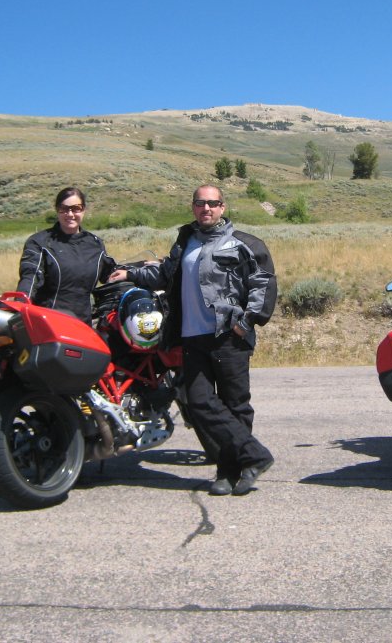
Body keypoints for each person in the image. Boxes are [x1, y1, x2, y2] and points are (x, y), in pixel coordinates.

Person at [109, 185, 277, 496]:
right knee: (199, 402)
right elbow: (164, 275)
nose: (206, 209)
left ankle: (230, 472)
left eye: (213, 203)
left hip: (228, 336)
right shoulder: (185, 242)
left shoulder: (243, 243)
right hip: (191, 336)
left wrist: (246, 322)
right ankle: (254, 455)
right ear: (193, 208)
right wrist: (130, 275)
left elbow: (263, 282)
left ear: (222, 207)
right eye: (201, 203)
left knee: (235, 404)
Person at [17, 187, 116, 325]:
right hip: (49, 325)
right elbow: (31, 276)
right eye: (64, 208)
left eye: (76, 208)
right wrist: (21, 302)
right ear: (57, 210)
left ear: (84, 210)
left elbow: (110, 275)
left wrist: (138, 273)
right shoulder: (40, 242)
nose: (70, 214)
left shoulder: (95, 244)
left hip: (83, 325)